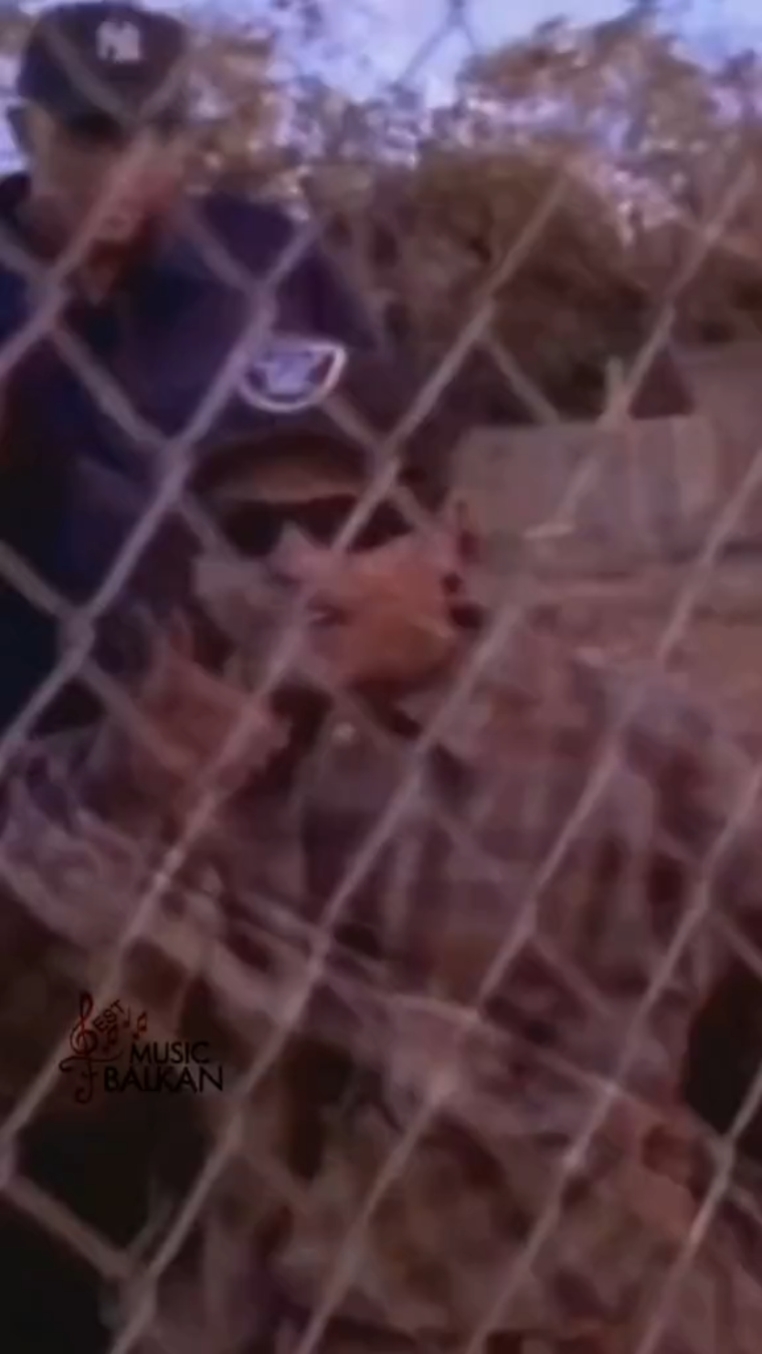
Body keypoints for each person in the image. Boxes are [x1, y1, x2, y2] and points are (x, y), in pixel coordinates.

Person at [0, 0, 450, 738]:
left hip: (257, 674)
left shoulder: (263, 254)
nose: (129, 167)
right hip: (34, 703)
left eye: (162, 132)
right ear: (25, 132)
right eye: (93, 134)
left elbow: (382, 435)